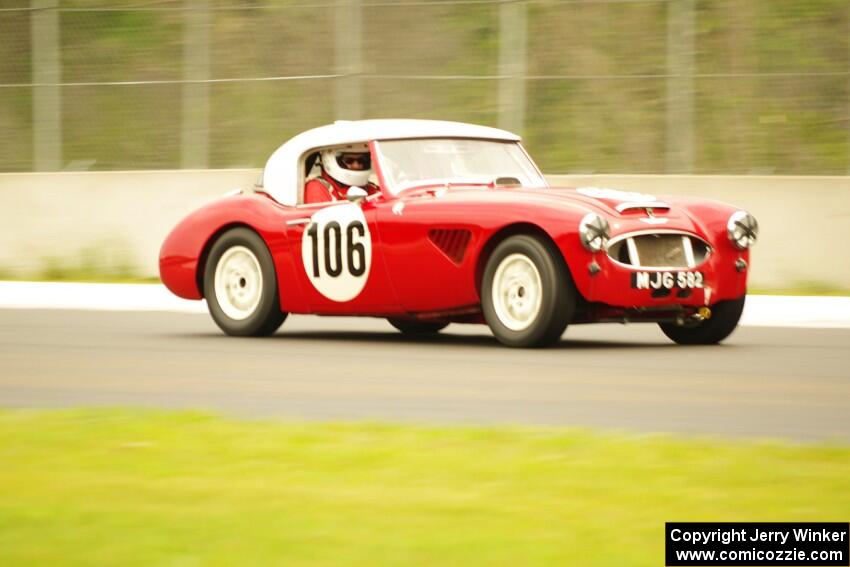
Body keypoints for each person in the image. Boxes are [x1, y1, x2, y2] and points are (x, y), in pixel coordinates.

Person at [303, 145, 380, 204]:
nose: (356, 166)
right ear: (329, 160)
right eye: (349, 161)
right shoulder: (318, 188)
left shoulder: (371, 188)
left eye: (361, 160)